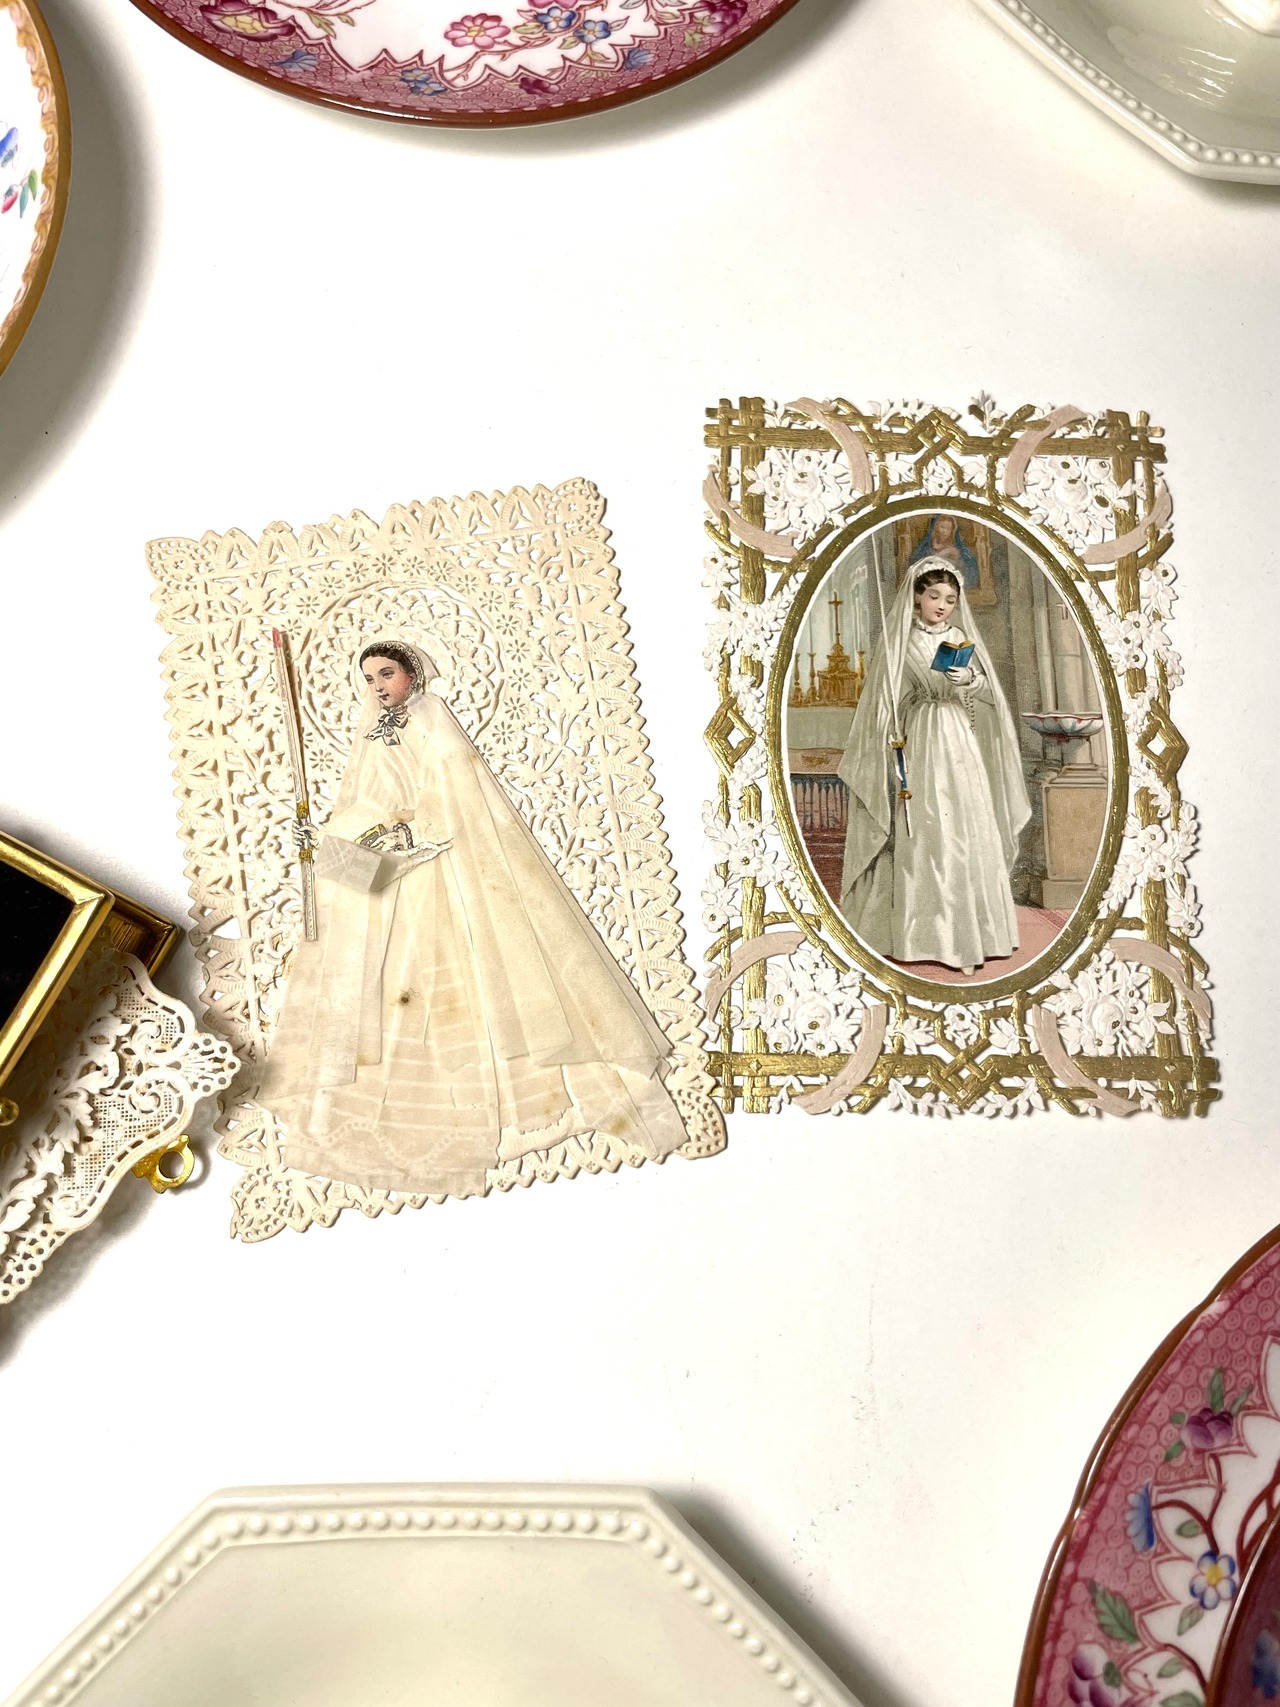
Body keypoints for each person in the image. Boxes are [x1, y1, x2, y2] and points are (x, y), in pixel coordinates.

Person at [258, 639, 688, 1195]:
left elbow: (454, 793)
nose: (378, 687)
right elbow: (363, 801)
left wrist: (403, 832)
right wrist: (324, 837)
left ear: (412, 674)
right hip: (384, 865)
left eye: (386, 674)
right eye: (369, 678)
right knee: (376, 980)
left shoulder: (430, 719)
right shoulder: (373, 731)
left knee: (460, 977)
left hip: (433, 862)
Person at [837, 560, 1031, 975]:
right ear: (917, 597)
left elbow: (989, 694)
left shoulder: (960, 638)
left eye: (950, 599)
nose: (942, 605)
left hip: (957, 737)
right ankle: (920, 938)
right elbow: (884, 700)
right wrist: (891, 722)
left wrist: (970, 681)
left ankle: (969, 938)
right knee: (925, 825)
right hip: (920, 736)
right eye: (934, 596)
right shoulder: (899, 641)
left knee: (963, 824)